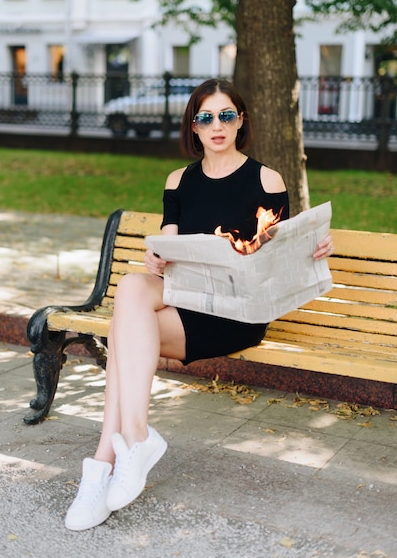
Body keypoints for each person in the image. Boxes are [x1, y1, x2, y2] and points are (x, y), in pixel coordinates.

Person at [65, 78, 334, 531]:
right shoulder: (179, 181)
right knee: (133, 289)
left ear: (240, 121)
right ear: (193, 126)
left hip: (235, 315)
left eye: (226, 115)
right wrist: (157, 255)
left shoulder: (265, 178)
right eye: (205, 117)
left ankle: (105, 467)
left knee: (122, 330)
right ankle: (130, 442)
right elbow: (168, 249)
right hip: (186, 301)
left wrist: (310, 249)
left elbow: (274, 252)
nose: (216, 125)